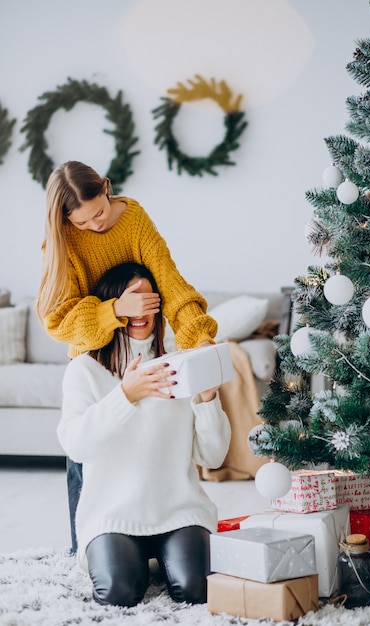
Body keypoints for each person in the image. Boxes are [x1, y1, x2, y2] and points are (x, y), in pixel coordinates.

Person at [36, 161, 218, 553]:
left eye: (99, 212)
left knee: (145, 455)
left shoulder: (133, 218)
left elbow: (170, 284)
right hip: (95, 358)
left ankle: (158, 537)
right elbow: (58, 321)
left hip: (143, 347)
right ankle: (84, 549)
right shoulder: (63, 237)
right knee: (87, 461)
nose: (95, 226)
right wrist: (115, 309)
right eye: (82, 223)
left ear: (106, 188)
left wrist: (197, 337)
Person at [57, 261, 231, 607]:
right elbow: (77, 445)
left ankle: (158, 555)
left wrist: (209, 398)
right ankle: (137, 558)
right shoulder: (84, 370)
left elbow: (212, 457)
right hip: (113, 515)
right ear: (113, 307)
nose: (141, 312)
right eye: (130, 301)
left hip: (178, 511)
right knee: (119, 593)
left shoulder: (180, 366)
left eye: (148, 300)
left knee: (198, 590)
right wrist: (126, 395)